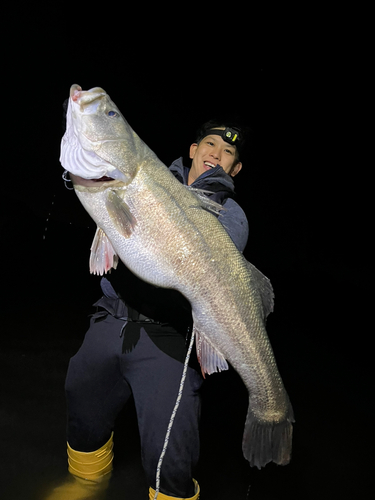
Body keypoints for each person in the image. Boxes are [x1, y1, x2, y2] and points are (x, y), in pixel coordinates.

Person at [47, 120, 249, 500]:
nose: (215, 154)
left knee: (171, 448)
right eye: (209, 144)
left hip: (168, 334)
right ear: (192, 149)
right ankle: (85, 483)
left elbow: (210, 265)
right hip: (112, 313)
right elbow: (93, 183)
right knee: (82, 399)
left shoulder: (233, 215)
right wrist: (83, 147)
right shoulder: (144, 174)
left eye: (227, 153)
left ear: (234, 169)